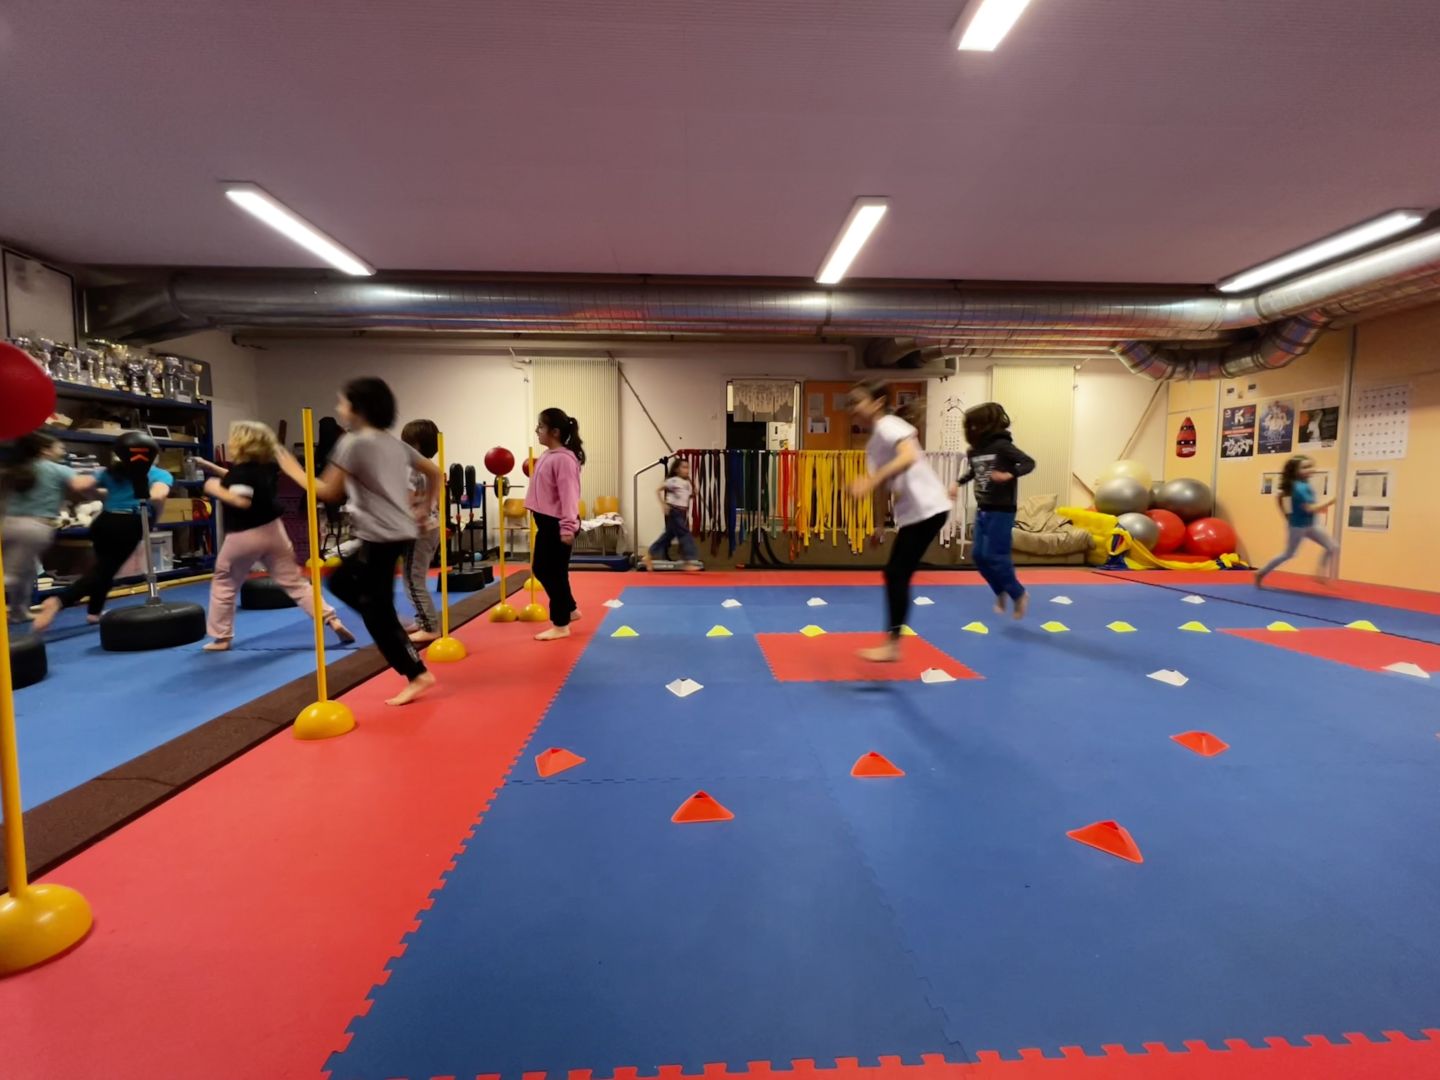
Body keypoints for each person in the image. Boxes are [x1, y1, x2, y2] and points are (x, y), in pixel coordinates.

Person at [278, 378, 440, 706]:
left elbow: (329, 491)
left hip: (382, 535)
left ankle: (416, 672)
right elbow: (435, 473)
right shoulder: (393, 443)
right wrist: (424, 507)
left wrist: (293, 470)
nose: (339, 408)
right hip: (392, 532)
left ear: (359, 408)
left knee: (373, 609)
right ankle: (389, 621)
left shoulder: (352, 443)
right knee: (342, 583)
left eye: (342, 402)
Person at [194, 421, 353, 652]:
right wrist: (209, 466)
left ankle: (222, 637)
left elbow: (241, 500)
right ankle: (331, 619)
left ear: (241, 443)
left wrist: (214, 489)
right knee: (295, 583)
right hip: (274, 532)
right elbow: (236, 478)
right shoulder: (265, 467)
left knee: (224, 583)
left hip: (244, 535)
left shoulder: (241, 473)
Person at [847, 382, 953, 662]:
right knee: (896, 573)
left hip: (928, 507)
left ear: (877, 402)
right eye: (850, 404)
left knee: (896, 573)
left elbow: (908, 456)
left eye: (857, 401)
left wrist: (871, 480)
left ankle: (892, 645)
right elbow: (882, 488)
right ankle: (893, 643)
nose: (852, 408)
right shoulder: (873, 444)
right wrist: (878, 525)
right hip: (918, 512)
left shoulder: (889, 425)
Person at [34, 433, 173, 631]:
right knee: (104, 570)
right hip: (129, 523)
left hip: (104, 521)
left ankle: (94, 613)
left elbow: (82, 485)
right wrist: (149, 510)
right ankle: (58, 601)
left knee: (104, 568)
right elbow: (158, 497)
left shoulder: (110, 472)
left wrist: (101, 495)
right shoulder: (158, 474)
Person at [1, 432, 96, 622]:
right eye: (60, 447)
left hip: (7, 524)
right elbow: (81, 486)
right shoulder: (56, 469)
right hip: (34, 527)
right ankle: (18, 611)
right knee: (12, 575)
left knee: (28, 572)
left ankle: (19, 612)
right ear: (45, 450)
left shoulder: (16, 468)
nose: (63, 450)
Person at [956, 402, 1035, 619]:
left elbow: (1028, 463)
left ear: (985, 425)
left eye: (974, 425)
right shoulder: (975, 450)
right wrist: (957, 483)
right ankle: (1000, 591)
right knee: (979, 556)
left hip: (1002, 510)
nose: (971, 430)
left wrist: (1009, 474)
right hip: (983, 508)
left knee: (996, 556)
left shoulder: (1002, 446)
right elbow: (974, 471)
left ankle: (1019, 594)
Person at [525, 407, 584, 641]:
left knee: (547, 571)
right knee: (552, 571)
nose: (537, 430)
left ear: (555, 432)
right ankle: (570, 609)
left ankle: (561, 625)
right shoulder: (549, 455)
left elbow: (570, 495)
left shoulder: (564, 459)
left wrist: (567, 527)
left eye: (541, 426)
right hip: (547, 522)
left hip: (557, 524)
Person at [1255, 454, 1338, 587]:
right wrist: (1332, 500)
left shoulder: (1302, 484)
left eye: (1311, 466)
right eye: (1305, 467)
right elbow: (1310, 508)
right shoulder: (1299, 488)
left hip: (1310, 525)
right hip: (1298, 527)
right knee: (1289, 554)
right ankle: (1261, 573)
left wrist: (1287, 515)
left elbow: (1280, 497)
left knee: (1332, 546)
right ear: (1295, 471)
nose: (1310, 469)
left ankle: (1320, 572)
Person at [399, 419, 442, 644]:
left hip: (420, 531)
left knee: (413, 580)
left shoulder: (412, 469)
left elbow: (406, 499)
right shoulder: (428, 468)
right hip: (430, 528)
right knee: (415, 578)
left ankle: (430, 626)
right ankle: (422, 619)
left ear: (414, 445)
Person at [643, 457, 700, 572]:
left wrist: (694, 494)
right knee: (685, 534)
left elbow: (685, 497)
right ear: (677, 469)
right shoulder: (673, 481)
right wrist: (663, 504)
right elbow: (658, 490)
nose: (687, 470)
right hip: (674, 511)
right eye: (684, 467)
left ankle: (649, 555)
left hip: (682, 512)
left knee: (667, 536)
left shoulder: (687, 483)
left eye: (688, 468)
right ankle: (688, 562)